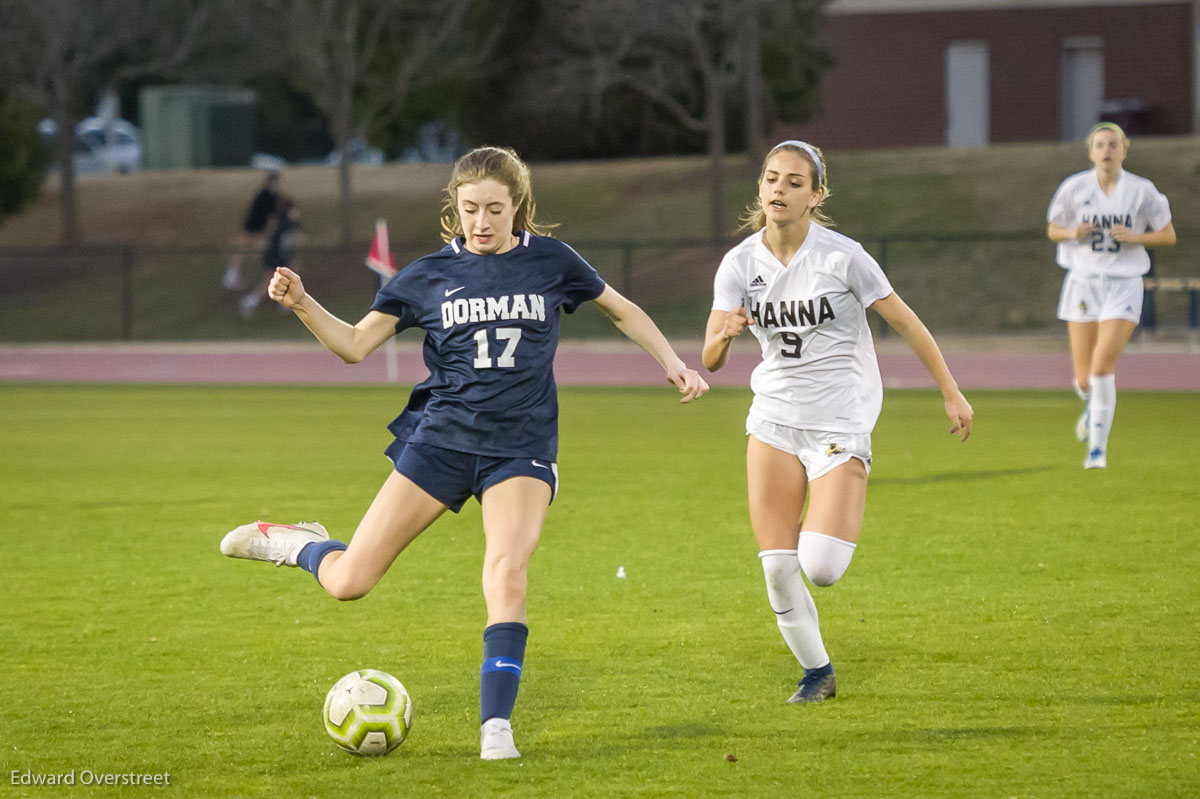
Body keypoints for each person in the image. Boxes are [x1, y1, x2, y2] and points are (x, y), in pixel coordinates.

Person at [219, 146, 709, 759]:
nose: (482, 221)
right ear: (454, 206)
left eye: (495, 210)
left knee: (506, 572)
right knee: (349, 582)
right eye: (471, 208)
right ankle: (295, 542)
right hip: (441, 442)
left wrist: (673, 364)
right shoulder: (426, 275)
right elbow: (351, 345)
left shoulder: (552, 261)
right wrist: (300, 303)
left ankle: (496, 728)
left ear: (518, 209)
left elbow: (622, 310)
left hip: (521, 447)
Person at [702, 140, 973, 703]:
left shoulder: (843, 256)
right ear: (760, 187)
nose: (779, 188)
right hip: (773, 419)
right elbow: (709, 357)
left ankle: (840, 493)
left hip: (838, 418)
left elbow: (908, 323)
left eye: (794, 181)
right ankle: (817, 672)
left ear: (816, 194)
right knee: (778, 566)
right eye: (772, 178)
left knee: (820, 567)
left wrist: (950, 392)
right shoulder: (739, 264)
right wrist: (724, 337)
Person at [1046, 122, 1176, 469]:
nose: (1107, 150)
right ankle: (1093, 406)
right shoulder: (1074, 188)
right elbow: (1053, 229)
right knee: (1085, 379)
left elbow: (1167, 235)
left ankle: (1097, 451)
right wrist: (1073, 231)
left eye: (1113, 144)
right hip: (1083, 282)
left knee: (1103, 367)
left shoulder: (1141, 190)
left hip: (1123, 282)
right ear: (1091, 152)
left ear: (1123, 151)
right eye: (1100, 144)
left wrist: (1135, 237)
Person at [239, 198, 300, 317]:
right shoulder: (287, 222)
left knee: (284, 279)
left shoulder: (283, 221)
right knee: (269, 281)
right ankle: (250, 301)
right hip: (275, 256)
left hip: (277, 255)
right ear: (290, 210)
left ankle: (283, 303)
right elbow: (287, 241)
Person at [223, 170, 281, 291]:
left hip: (253, 226)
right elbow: (268, 215)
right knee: (244, 250)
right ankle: (232, 276)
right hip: (254, 226)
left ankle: (233, 275)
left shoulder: (265, 193)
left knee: (244, 250)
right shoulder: (268, 195)